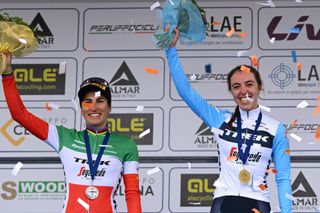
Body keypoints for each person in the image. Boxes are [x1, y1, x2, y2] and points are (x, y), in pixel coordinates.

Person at [165, 29, 292, 213]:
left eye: (249, 84)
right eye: (236, 86)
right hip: (223, 203)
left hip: (258, 203)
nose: (243, 91)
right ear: (231, 92)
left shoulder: (276, 129)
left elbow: (283, 178)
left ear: (259, 87)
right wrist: (171, 50)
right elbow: (186, 92)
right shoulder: (220, 119)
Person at [1, 50, 142, 213]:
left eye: (100, 101)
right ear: (82, 108)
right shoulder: (64, 137)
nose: (94, 107)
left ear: (109, 107)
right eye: (87, 101)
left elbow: (132, 194)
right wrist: (7, 74)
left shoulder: (126, 145)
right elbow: (19, 114)